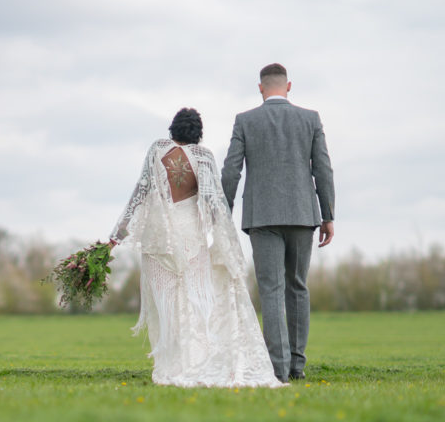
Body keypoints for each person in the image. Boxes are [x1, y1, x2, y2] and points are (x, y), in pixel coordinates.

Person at [110, 108, 283, 388]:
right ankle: (194, 361)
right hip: (191, 235)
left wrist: (116, 235)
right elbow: (215, 205)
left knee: (165, 303)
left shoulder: (157, 150)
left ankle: (169, 364)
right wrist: (227, 246)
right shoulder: (204, 157)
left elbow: (139, 192)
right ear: (198, 133)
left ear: (173, 128)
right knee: (192, 300)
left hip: (159, 237)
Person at [221, 63, 336, 382]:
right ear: (288, 86)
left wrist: (222, 212)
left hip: (262, 217)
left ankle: (279, 368)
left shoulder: (245, 121)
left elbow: (231, 170)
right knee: (298, 287)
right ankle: (297, 365)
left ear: (260, 88)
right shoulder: (310, 118)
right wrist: (328, 215)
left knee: (271, 290)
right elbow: (323, 169)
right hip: (302, 214)